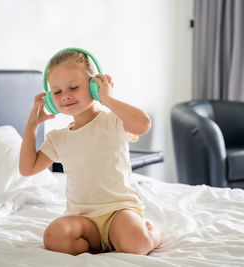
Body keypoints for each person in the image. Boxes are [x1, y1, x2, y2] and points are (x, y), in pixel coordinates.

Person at [19, 48, 160, 256]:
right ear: (50, 99)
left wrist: (108, 99)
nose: (65, 96)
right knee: (53, 236)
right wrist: (32, 126)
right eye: (57, 92)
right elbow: (27, 168)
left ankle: (150, 233)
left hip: (118, 211)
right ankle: (103, 243)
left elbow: (143, 124)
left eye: (74, 87)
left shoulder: (112, 120)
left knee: (135, 244)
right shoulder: (58, 138)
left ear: (95, 86)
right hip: (83, 219)